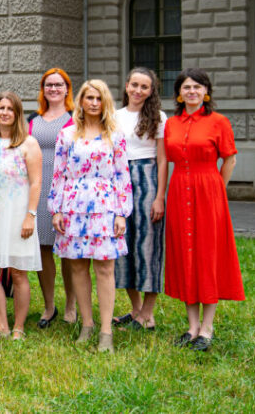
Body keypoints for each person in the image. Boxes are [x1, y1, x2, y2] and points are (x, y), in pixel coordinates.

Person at [48, 79, 133, 353]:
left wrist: (122, 213)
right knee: (77, 266)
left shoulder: (115, 135)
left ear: (105, 102)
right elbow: (58, 174)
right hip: (73, 205)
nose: (94, 103)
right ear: (81, 101)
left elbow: (122, 175)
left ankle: (106, 331)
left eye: (99, 98)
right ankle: (87, 324)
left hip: (105, 205)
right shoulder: (67, 135)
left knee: (105, 267)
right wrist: (56, 208)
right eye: (89, 98)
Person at [164, 69, 243, 352]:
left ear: (206, 91)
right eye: (187, 87)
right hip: (178, 191)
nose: (192, 91)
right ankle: (192, 327)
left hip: (208, 192)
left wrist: (217, 189)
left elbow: (230, 159)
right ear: (179, 93)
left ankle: (207, 329)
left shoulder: (219, 122)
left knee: (207, 255)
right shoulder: (171, 123)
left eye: (198, 87)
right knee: (185, 254)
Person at [0, 92, 42, 341]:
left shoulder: (28, 143)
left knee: (18, 273)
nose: (4, 113)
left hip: (17, 215)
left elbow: (36, 183)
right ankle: (1, 326)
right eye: (1, 108)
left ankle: (18, 328)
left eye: (10, 109)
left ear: (17, 113)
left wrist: (30, 215)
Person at [112, 67, 168, 331]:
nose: (138, 90)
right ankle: (136, 310)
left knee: (147, 246)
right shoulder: (115, 116)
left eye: (144, 86)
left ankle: (148, 313)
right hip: (120, 179)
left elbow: (163, 159)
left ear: (151, 91)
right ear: (126, 86)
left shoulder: (158, 117)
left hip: (147, 178)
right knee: (123, 244)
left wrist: (160, 197)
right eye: (134, 85)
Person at [29, 68, 76, 328]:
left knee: (68, 250)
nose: (54, 89)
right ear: (43, 89)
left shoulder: (76, 118)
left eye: (59, 84)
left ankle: (71, 305)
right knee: (43, 248)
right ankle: (49, 306)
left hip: (66, 190)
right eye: (49, 85)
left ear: (67, 88)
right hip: (38, 188)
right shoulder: (32, 120)